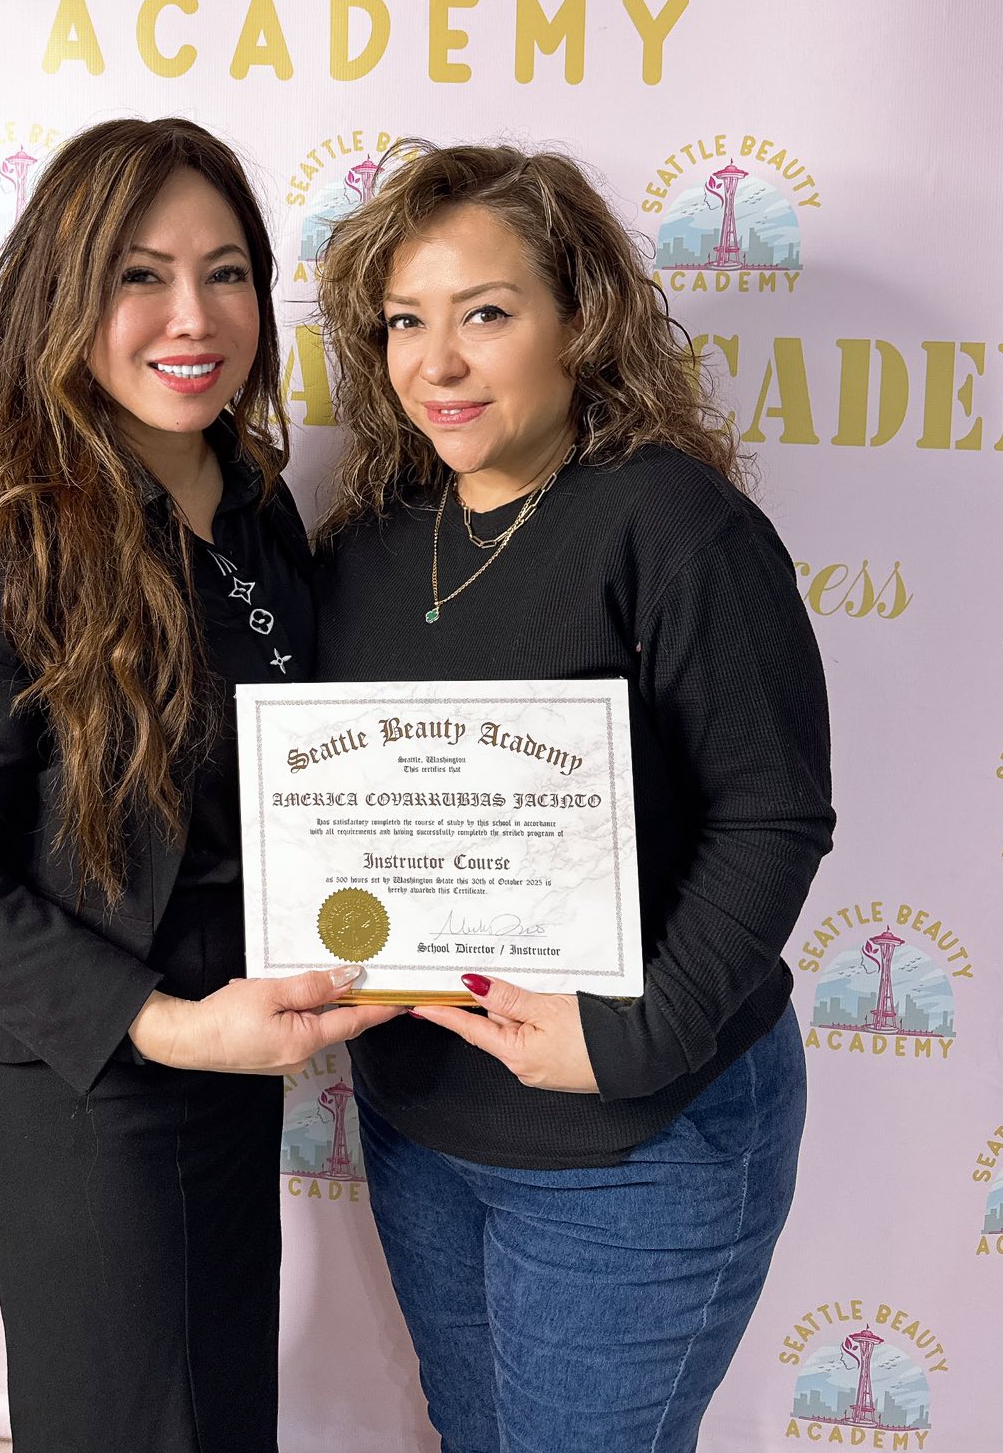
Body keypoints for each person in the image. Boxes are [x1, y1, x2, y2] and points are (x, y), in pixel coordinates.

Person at [0, 116, 396, 1453]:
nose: (192, 317)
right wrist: (167, 1028)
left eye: (227, 273)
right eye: (139, 276)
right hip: (89, 1096)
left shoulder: (257, 504)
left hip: (234, 1070)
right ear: (63, 299)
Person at [312, 141, 835, 1453]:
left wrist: (635, 1041)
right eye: (406, 322)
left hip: (636, 1140)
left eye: (486, 313)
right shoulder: (368, 541)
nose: (438, 363)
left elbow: (772, 814)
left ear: (581, 319)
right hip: (422, 1123)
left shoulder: (675, 527)